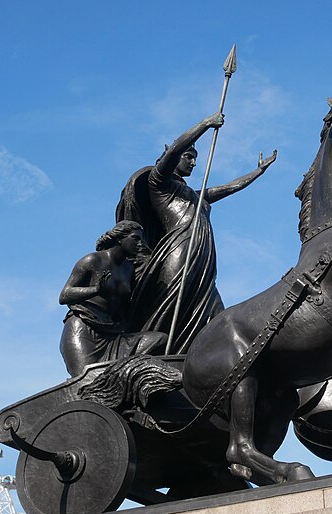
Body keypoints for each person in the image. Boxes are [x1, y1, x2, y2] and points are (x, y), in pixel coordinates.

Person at [116, 111, 277, 353]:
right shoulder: (159, 183)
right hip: (179, 251)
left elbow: (227, 189)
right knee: (171, 304)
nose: (193, 162)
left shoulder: (192, 194)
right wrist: (205, 124)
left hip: (202, 257)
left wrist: (257, 172)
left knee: (213, 311)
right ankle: (153, 352)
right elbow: (172, 152)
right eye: (189, 157)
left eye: (195, 159)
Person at [59, 221, 166, 376]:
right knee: (87, 381)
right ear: (120, 238)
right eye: (135, 238)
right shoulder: (92, 261)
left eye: (141, 240)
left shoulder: (128, 269)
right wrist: (96, 290)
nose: (140, 243)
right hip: (84, 330)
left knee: (159, 339)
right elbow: (64, 295)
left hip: (113, 334)